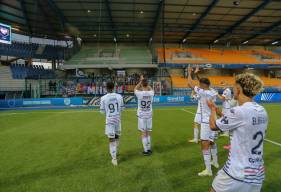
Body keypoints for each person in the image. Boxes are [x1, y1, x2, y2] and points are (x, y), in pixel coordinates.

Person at [208, 73, 267, 192]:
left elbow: (213, 126)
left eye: (234, 87)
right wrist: (220, 113)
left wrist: (213, 110)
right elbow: (238, 122)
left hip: (236, 172)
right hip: (256, 174)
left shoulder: (239, 111)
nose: (232, 89)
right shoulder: (262, 110)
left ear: (239, 89)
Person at [187, 65, 219, 176]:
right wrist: (196, 74)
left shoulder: (203, 92)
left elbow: (190, 84)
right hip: (214, 120)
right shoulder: (212, 91)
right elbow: (201, 82)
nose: (199, 85)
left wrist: (189, 72)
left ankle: (208, 170)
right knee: (212, 142)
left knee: (204, 144)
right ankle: (215, 162)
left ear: (203, 85)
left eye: (200, 84)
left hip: (206, 122)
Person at [100, 81, 125, 166]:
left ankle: (114, 158)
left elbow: (102, 112)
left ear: (106, 88)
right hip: (117, 119)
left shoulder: (103, 98)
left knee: (111, 139)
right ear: (114, 87)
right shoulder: (119, 96)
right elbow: (122, 109)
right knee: (117, 137)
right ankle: (115, 152)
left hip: (110, 120)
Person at [135, 75, 154, 156]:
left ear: (142, 85)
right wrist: (145, 83)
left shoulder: (139, 93)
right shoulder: (151, 92)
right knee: (148, 132)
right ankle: (149, 149)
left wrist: (141, 81)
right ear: (148, 84)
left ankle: (146, 151)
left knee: (143, 133)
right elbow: (150, 88)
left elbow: (135, 88)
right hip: (149, 115)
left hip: (142, 116)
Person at [217, 81, 233, 150]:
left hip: (227, 106)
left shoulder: (226, 91)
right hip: (226, 106)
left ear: (227, 84)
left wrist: (216, 94)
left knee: (225, 118)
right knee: (222, 117)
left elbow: (222, 98)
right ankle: (223, 130)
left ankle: (226, 132)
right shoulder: (227, 90)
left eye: (223, 84)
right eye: (221, 85)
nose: (222, 86)